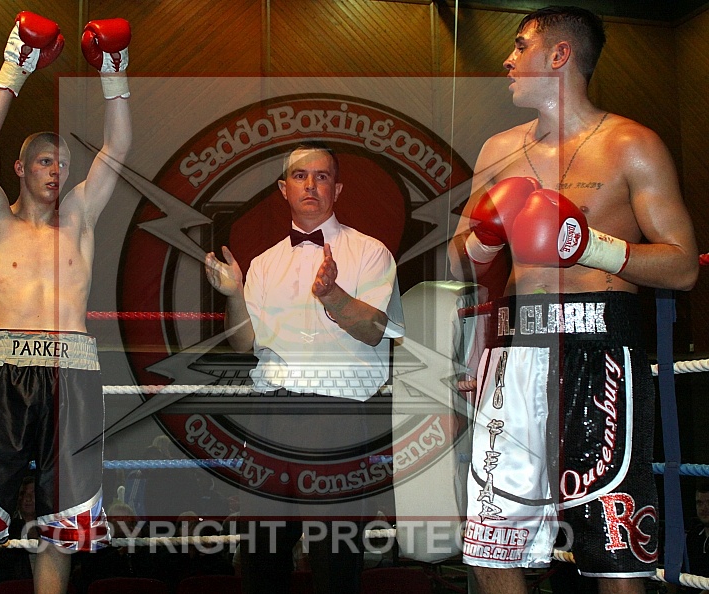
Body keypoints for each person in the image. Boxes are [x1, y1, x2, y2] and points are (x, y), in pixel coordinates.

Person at [446, 6, 698, 594]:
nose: (507, 60)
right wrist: (486, 238)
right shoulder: (497, 150)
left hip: (601, 349)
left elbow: (683, 265)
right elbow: (458, 261)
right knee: (489, 543)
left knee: (613, 549)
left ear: (559, 55)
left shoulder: (632, 145)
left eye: (520, 46)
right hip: (514, 350)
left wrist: (589, 246)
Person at [0, 11, 132, 594]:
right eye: (46, 161)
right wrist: (16, 66)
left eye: (63, 163)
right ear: (22, 168)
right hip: (6, 374)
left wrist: (113, 72)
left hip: (73, 376)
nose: (57, 171)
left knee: (60, 527)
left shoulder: (79, 218)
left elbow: (119, 146)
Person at [205, 141, 405, 594]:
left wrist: (333, 295)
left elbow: (374, 330)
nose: (310, 185)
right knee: (261, 559)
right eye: (300, 176)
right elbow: (245, 343)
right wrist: (234, 294)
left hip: (340, 414)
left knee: (336, 561)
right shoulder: (264, 264)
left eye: (321, 176)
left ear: (337, 188)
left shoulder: (370, 253)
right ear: (284, 188)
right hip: (272, 415)